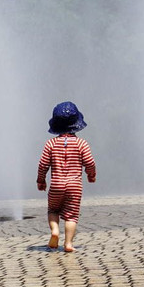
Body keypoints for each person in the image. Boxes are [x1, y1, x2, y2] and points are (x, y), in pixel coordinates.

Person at [36, 101, 96, 253]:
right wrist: (91, 175)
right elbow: (90, 162)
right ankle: (68, 243)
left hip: (56, 185)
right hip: (74, 187)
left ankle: (55, 231)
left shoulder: (50, 144)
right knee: (71, 215)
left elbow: (43, 164)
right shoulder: (82, 144)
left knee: (53, 210)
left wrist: (41, 180)